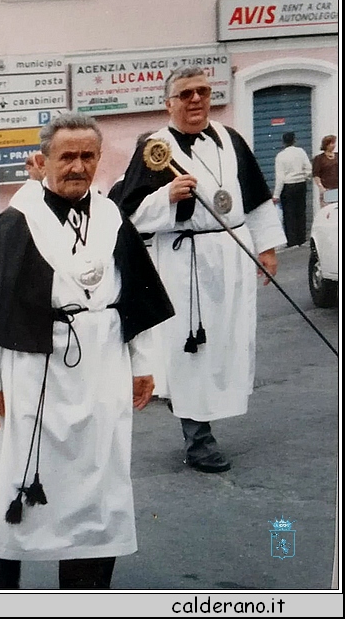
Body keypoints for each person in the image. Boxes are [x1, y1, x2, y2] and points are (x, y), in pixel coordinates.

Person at [0, 111, 174, 589]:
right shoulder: (15, 223)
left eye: (88, 156)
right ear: (44, 160)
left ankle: (87, 584)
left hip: (103, 361)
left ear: (98, 159)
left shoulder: (112, 216)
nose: (78, 166)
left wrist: (144, 363)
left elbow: (136, 293)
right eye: (67, 156)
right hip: (34, 366)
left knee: (100, 472)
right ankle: (2, 584)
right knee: (17, 471)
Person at [111, 66, 284, 474]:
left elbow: (256, 198)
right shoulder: (155, 148)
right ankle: (198, 438)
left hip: (232, 254)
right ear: (168, 103)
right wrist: (166, 197)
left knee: (227, 342)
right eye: (185, 93)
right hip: (184, 259)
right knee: (192, 347)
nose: (196, 100)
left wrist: (268, 249)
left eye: (203, 91)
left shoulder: (230, 138)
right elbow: (128, 214)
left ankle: (194, 407)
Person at [272, 131, 312, 247]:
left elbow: (280, 177)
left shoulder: (280, 156)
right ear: (295, 140)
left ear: (283, 142)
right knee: (301, 211)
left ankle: (292, 240)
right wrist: (305, 177)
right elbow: (309, 168)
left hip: (288, 186)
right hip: (300, 184)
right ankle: (301, 238)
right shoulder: (301, 152)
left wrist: (276, 195)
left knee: (289, 213)